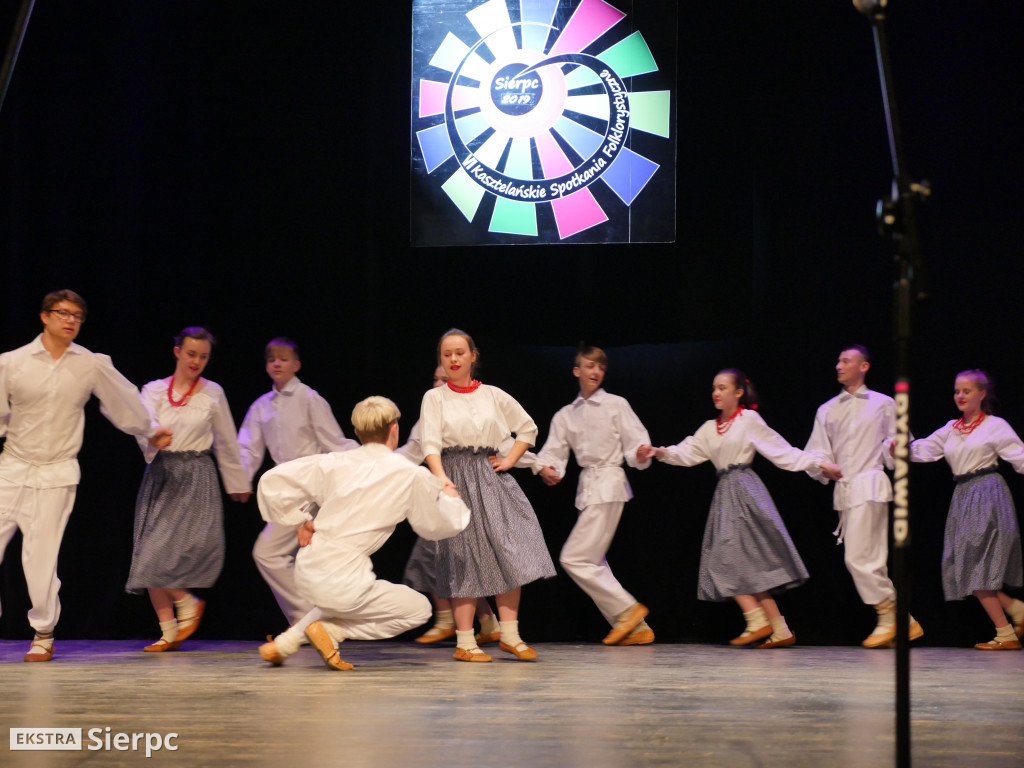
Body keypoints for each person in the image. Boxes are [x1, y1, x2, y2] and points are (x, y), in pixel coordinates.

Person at [0, 290, 170, 662]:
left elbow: (124, 400)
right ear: (44, 317)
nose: (70, 320)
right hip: (11, 468)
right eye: (62, 313)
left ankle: (43, 632)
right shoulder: (12, 363)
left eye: (77, 315)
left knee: (40, 558)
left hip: (57, 472)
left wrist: (149, 429)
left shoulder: (89, 364)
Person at [256, 396, 471, 670]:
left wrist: (301, 518)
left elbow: (271, 481)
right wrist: (451, 498)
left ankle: (284, 645)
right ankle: (332, 632)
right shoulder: (407, 473)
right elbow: (436, 526)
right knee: (419, 609)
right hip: (343, 574)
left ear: (356, 433)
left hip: (310, 566)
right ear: (395, 429)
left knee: (337, 600)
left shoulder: (334, 462)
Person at [639, 370, 839, 647]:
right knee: (735, 561)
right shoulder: (710, 428)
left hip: (745, 491)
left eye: (722, 388)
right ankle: (778, 628)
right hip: (724, 494)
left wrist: (818, 465)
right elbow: (688, 452)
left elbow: (781, 451)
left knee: (734, 559)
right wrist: (659, 452)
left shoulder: (749, 421)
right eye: (714, 388)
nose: (716, 393)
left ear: (738, 392)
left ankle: (759, 621)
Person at [420, 328, 556, 662]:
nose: (453, 359)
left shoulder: (493, 395)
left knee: (511, 551)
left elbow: (527, 428)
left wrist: (510, 459)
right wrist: (442, 480)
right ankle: (466, 643)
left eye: (459, 353)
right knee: (464, 557)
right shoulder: (434, 398)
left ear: (472, 356)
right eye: (447, 354)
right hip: (455, 476)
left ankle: (510, 635)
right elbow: (430, 444)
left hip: (488, 475)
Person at [127, 327, 251, 652]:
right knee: (147, 553)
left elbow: (226, 440)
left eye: (203, 356)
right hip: (161, 474)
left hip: (196, 476)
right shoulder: (154, 390)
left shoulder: (213, 393)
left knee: (161, 555)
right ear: (177, 352)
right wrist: (153, 437)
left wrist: (237, 482)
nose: (197, 361)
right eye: (192, 353)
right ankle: (169, 630)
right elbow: (141, 424)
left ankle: (186, 603)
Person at [533, 345, 654, 645]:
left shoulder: (616, 404)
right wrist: (545, 468)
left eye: (600, 367)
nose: (596, 372)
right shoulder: (565, 415)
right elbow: (553, 451)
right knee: (592, 561)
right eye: (590, 366)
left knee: (573, 558)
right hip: (588, 489)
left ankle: (627, 609)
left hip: (609, 483)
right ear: (577, 371)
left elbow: (637, 441)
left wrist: (640, 453)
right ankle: (639, 629)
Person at [804, 345, 924, 648]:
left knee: (860, 558)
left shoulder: (883, 404)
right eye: (838, 360)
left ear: (864, 366)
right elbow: (817, 450)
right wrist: (822, 466)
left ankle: (892, 617)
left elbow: (900, 443)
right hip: (847, 489)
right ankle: (900, 620)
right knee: (865, 558)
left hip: (870, 484)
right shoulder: (827, 409)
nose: (839, 365)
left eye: (846, 360)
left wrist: (894, 447)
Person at [237, 337, 357, 628]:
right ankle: (310, 622)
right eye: (271, 359)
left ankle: (307, 621)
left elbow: (333, 441)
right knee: (294, 560)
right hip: (284, 488)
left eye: (283, 358)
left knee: (269, 552)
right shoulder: (262, 406)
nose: (276, 363)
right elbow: (248, 448)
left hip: (309, 487)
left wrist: (367, 460)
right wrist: (239, 480)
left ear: (296, 364)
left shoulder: (309, 398)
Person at [907, 370, 1024, 650]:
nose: (960, 396)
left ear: (982, 394)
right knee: (967, 567)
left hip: (987, 491)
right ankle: (1017, 612)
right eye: (957, 391)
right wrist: (896, 445)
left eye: (967, 391)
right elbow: (923, 450)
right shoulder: (952, 428)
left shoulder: (995, 425)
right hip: (963, 495)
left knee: (975, 567)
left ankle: (1006, 633)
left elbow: (1020, 455)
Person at [398, 365, 501, 646]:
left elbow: (501, 439)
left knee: (448, 558)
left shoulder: (473, 407)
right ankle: (488, 622)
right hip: (443, 493)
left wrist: (532, 463)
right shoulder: (429, 411)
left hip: (469, 493)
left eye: (445, 379)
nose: (439, 383)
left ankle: (449, 620)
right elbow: (411, 450)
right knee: (457, 561)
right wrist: (378, 461)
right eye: (436, 379)